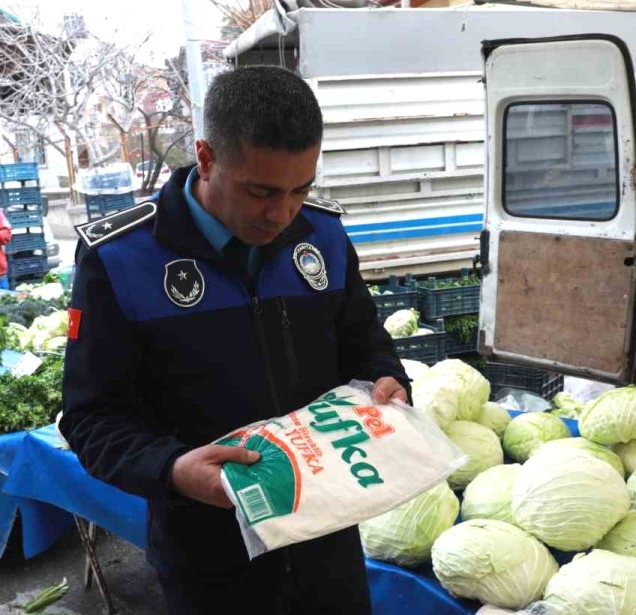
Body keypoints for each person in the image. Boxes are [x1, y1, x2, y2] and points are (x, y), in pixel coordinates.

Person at [60, 66, 410, 614]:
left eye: (301, 189)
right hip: (209, 558)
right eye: (261, 191)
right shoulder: (121, 259)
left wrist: (388, 379)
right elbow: (91, 418)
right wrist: (172, 470)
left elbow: (365, 341)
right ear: (206, 158)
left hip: (327, 538)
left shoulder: (323, 236)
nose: (282, 213)